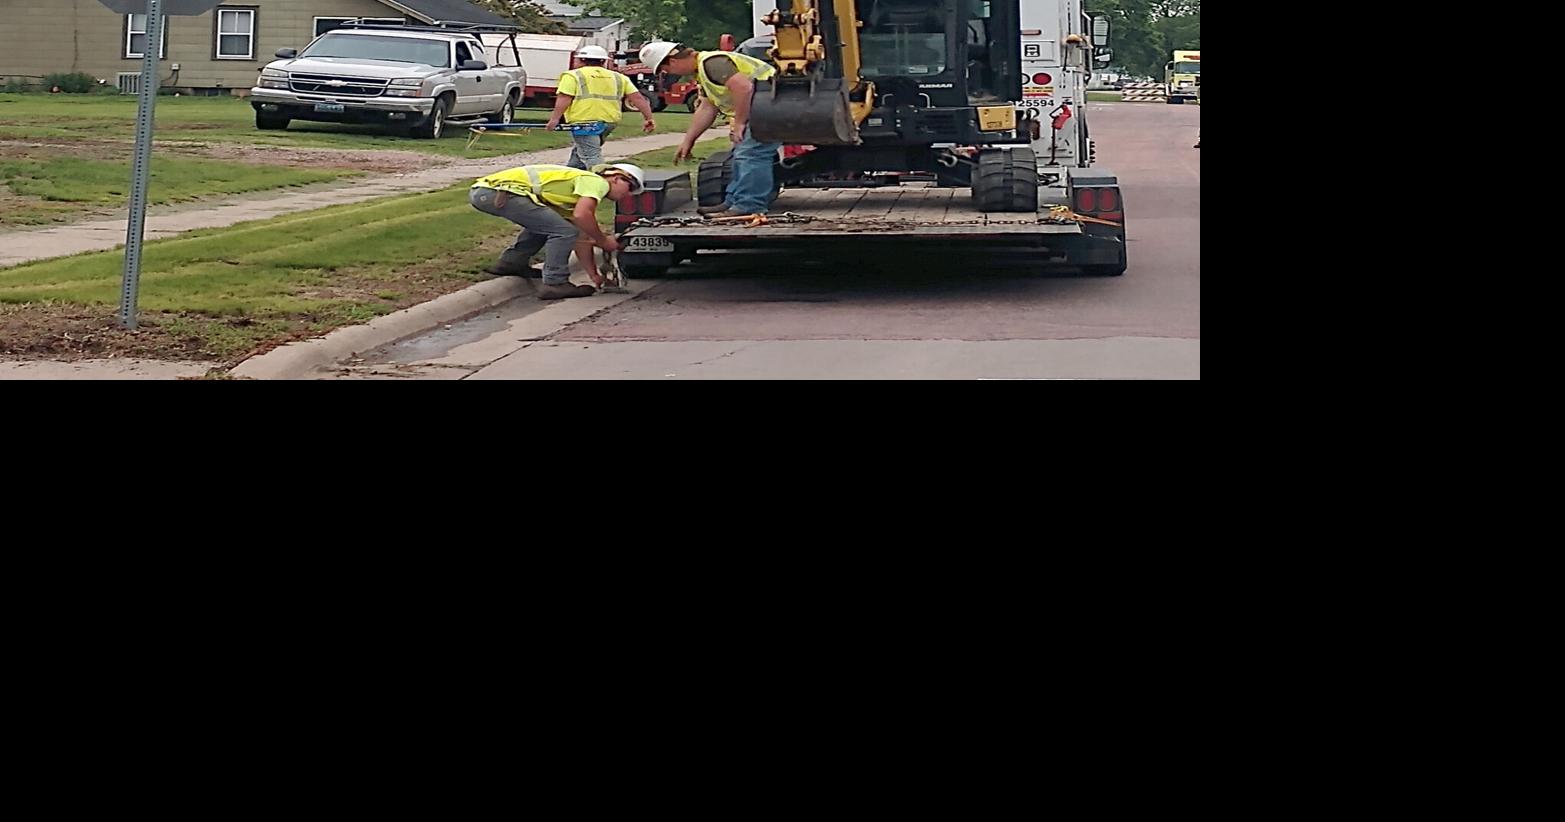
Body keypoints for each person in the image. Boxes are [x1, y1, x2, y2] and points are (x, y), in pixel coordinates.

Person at [639, 41, 780, 218]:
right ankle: (734, 202)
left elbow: (744, 88)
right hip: (768, 105)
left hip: (772, 106)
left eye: (663, 69)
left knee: (750, 155)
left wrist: (740, 122)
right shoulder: (704, 70)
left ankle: (749, 205)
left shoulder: (712, 62)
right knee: (741, 156)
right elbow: (707, 108)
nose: (666, 74)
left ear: (672, 61)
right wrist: (688, 141)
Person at [469, 163, 645, 300]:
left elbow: (581, 237)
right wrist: (603, 241)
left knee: (550, 227)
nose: (629, 195)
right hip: (498, 192)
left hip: (490, 191)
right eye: (630, 188)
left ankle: (511, 263)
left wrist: (594, 275)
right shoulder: (596, 182)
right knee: (562, 231)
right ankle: (555, 283)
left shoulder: (573, 195)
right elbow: (583, 215)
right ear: (615, 178)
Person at [545, 45, 656, 170]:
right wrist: (648, 118)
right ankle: (572, 174)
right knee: (582, 151)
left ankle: (604, 180)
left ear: (582, 60)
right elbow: (638, 98)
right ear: (603, 61)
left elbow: (564, 98)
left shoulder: (573, 76)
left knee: (591, 155)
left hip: (584, 122)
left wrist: (554, 119)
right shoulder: (618, 77)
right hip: (609, 121)